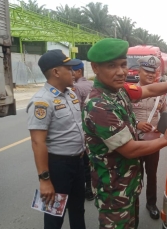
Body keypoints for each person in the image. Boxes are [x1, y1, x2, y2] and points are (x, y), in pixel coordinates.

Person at [82, 38, 167, 229]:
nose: (121, 72)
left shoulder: (118, 90)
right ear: (95, 68)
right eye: (111, 66)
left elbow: (148, 90)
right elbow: (130, 150)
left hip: (127, 185)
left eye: (123, 65)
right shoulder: (100, 105)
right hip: (114, 191)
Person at [26, 49, 86, 229]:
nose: (74, 73)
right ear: (56, 72)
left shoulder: (71, 94)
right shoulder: (42, 101)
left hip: (78, 162)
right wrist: (44, 180)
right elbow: (38, 142)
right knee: (54, 216)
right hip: (58, 167)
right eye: (69, 68)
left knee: (78, 210)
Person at [132, 55, 166, 220]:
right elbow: (121, 116)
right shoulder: (129, 91)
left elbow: (163, 112)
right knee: (134, 174)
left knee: (151, 174)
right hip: (134, 141)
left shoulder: (160, 92)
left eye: (153, 72)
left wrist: (162, 128)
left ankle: (151, 203)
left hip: (153, 142)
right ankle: (132, 203)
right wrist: (137, 123)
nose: (151, 75)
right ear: (139, 71)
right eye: (147, 71)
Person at [71, 60, 95, 201]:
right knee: (91, 160)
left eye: (72, 71)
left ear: (79, 71)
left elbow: (76, 112)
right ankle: (91, 189)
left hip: (82, 128)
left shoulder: (76, 88)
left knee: (84, 162)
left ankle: (86, 190)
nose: (71, 74)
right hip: (94, 127)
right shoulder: (92, 85)